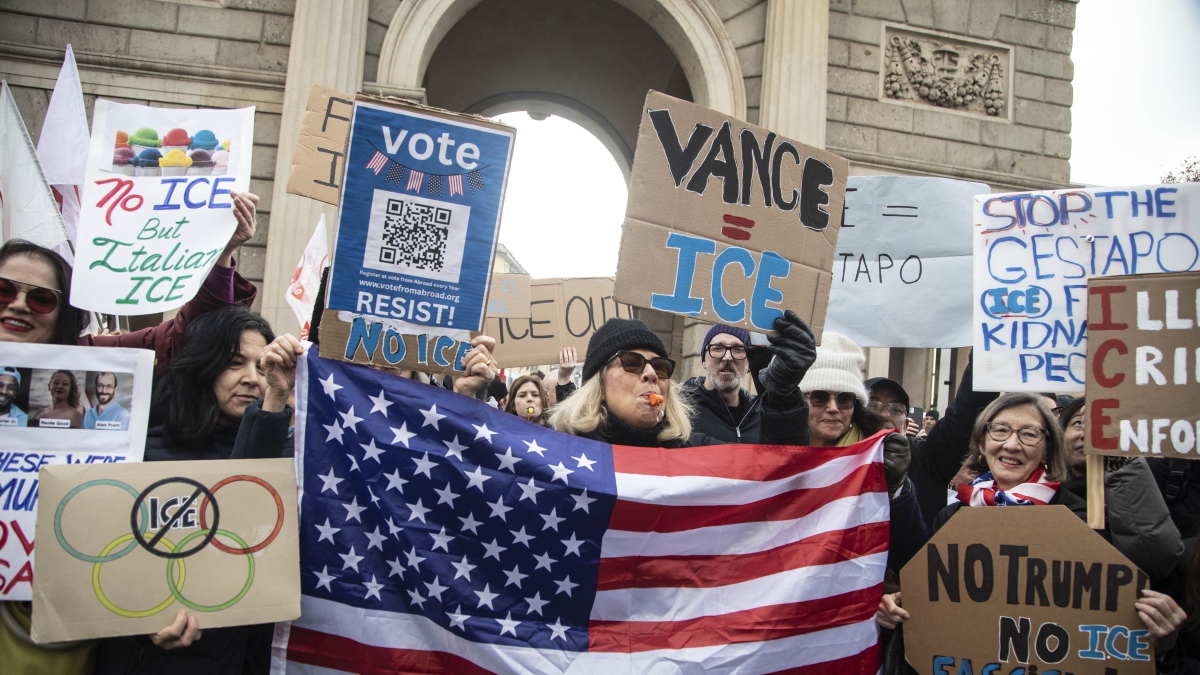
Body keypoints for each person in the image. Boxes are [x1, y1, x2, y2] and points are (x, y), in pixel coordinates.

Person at [94, 306, 302, 675]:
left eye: (262, 366)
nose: (253, 379)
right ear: (201, 367)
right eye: (235, 363)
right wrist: (146, 631)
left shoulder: (291, 456)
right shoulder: (145, 454)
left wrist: (277, 399)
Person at [0, 190, 260, 372]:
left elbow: (188, 337)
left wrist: (220, 251)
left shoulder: (89, 357)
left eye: (41, 298)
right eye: (4, 291)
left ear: (64, 313)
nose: (19, 305)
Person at [550, 312, 814, 447]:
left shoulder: (690, 451)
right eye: (632, 363)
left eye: (661, 367)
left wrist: (782, 395)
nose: (651, 373)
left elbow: (775, 472)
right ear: (598, 384)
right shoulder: (557, 451)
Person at [797, 333, 925, 573]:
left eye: (845, 398)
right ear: (801, 399)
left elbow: (912, 553)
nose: (833, 408)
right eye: (819, 396)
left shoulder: (879, 455)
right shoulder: (776, 450)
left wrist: (895, 490)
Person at [1058, 397, 1183, 582]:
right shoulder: (1037, 494)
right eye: (1078, 423)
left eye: (1100, 425)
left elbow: (1155, 558)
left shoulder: (1141, 486)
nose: (1087, 433)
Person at [680, 324, 765, 442]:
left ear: (749, 364)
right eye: (718, 348)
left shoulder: (763, 415)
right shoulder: (680, 410)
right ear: (704, 361)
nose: (727, 357)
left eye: (738, 349)